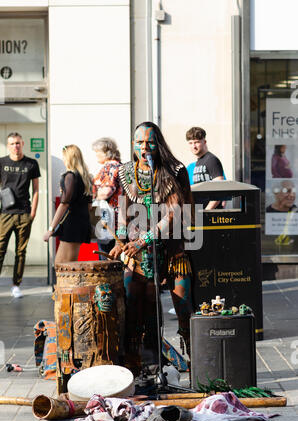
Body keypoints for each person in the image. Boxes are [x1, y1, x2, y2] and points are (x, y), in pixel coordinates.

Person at [110, 121, 194, 377]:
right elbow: (122, 212)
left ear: (159, 143)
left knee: (183, 306)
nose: (144, 146)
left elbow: (174, 213)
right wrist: (120, 241)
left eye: (149, 141)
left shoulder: (174, 169)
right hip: (138, 254)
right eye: (139, 142)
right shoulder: (125, 172)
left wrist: (142, 240)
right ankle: (140, 364)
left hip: (172, 249)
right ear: (133, 144)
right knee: (135, 305)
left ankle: (197, 359)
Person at [0, 132, 40, 298]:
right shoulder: (2, 163)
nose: (15, 146)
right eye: (12, 143)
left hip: (24, 213)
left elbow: (36, 189)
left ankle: (16, 285)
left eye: (17, 143)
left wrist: (33, 212)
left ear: (22, 143)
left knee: (20, 252)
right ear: (7, 145)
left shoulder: (31, 164)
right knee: (0, 248)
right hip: (5, 214)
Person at [43, 145, 92, 265]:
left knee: (62, 266)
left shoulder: (70, 176)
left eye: (64, 157)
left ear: (69, 158)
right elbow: (89, 206)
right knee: (70, 265)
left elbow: (64, 204)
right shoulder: (86, 177)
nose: (63, 160)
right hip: (82, 222)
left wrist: (51, 229)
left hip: (72, 224)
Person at [91, 137, 122, 259]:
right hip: (118, 217)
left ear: (107, 152)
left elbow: (107, 191)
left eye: (98, 152)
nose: (96, 155)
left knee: (107, 257)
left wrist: (93, 195)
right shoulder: (119, 165)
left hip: (109, 216)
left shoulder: (110, 166)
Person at [186, 126, 224, 209]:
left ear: (204, 142)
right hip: (199, 213)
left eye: (196, 142)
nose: (193, 146)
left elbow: (220, 189)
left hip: (210, 215)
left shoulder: (211, 160)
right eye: (190, 143)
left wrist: (207, 211)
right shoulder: (198, 162)